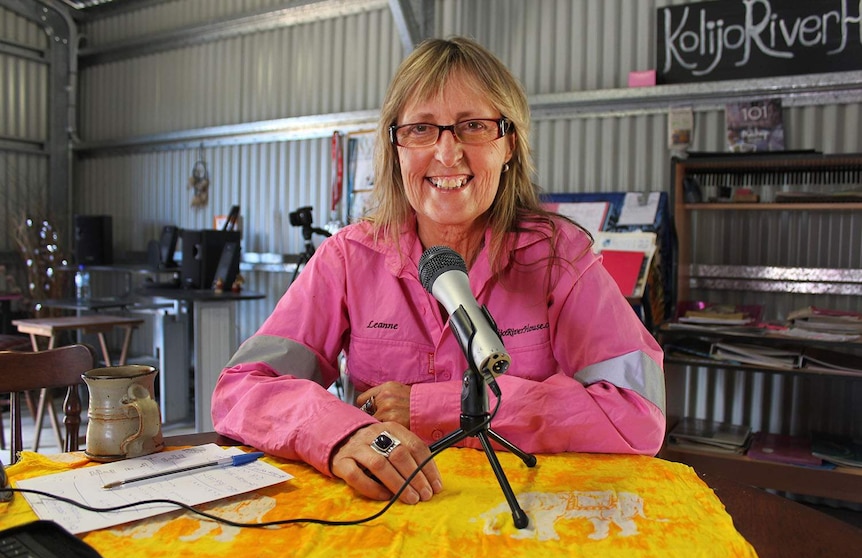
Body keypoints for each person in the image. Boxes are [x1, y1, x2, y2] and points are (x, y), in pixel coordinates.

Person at [212, 36, 666, 506]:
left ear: (509, 144)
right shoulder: (347, 258)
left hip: (520, 517)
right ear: (395, 148)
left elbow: (639, 413)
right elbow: (242, 388)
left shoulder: (560, 256)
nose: (448, 154)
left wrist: (436, 407)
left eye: (473, 126)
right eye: (421, 129)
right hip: (386, 518)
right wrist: (339, 433)